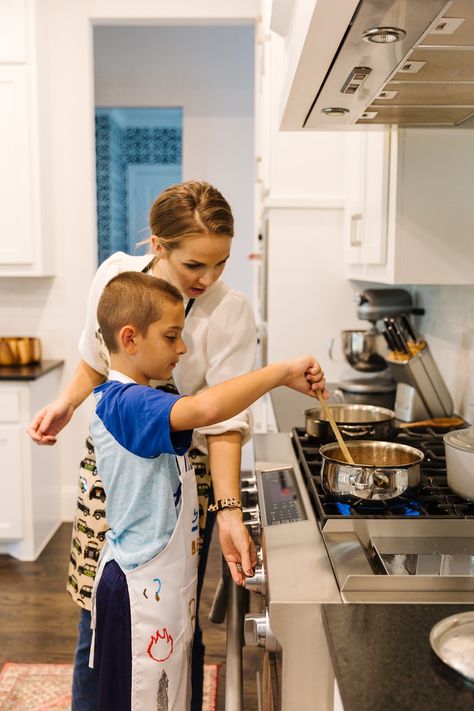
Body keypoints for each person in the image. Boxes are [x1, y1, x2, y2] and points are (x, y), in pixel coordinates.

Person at [27, 181, 260, 711]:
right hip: (113, 475)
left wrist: (227, 511)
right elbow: (95, 356)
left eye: (220, 263)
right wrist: (66, 403)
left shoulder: (231, 312)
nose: (208, 278)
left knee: (175, 620)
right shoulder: (114, 275)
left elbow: (222, 423)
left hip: (183, 484)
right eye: (194, 266)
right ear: (158, 245)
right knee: (99, 611)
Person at [89, 270, 327, 710]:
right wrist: (280, 372)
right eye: (172, 336)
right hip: (137, 591)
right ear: (130, 338)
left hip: (160, 586)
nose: (181, 348)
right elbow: (208, 407)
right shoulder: (127, 404)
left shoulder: (145, 398)